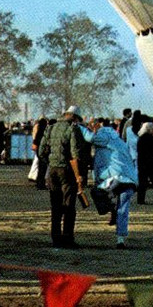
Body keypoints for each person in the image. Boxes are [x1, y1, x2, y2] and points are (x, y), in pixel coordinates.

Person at [80, 117, 139, 248]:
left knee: (97, 192)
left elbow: (90, 138)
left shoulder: (103, 136)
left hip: (116, 178)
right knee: (123, 209)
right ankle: (120, 239)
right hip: (130, 180)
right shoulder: (119, 141)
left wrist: (78, 127)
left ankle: (110, 208)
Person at [38, 105, 88, 248]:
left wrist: (50, 162)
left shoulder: (51, 127)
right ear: (74, 117)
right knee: (68, 206)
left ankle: (56, 238)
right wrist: (79, 175)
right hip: (67, 171)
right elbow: (75, 154)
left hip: (53, 170)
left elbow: (41, 151)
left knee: (55, 206)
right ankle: (67, 239)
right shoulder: (73, 129)